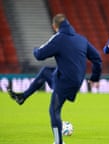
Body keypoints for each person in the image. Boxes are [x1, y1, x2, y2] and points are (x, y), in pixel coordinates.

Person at [8, 13, 102, 144]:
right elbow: (97, 59)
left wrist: (35, 49)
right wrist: (95, 77)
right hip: (74, 80)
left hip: (65, 80)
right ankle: (23, 97)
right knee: (45, 72)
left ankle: (58, 142)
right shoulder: (81, 39)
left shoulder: (59, 38)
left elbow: (40, 55)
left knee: (54, 110)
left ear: (54, 26)